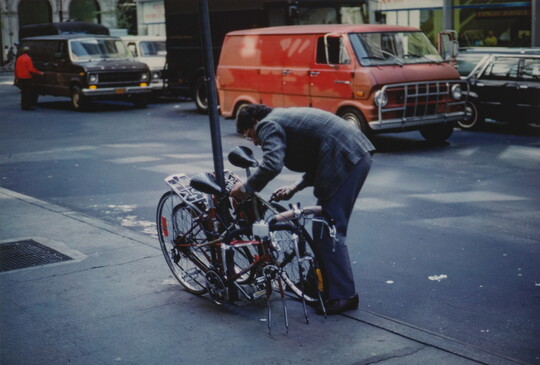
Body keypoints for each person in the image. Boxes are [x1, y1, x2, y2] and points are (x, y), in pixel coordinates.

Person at [230, 105, 375, 315]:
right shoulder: (282, 118)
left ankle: (344, 296)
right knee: (322, 227)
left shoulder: (267, 124)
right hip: (349, 153)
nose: (253, 141)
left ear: (254, 122)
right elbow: (318, 157)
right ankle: (316, 282)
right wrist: (294, 187)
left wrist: (245, 188)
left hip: (346, 156)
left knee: (328, 229)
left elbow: (272, 164)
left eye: (249, 135)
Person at [14, 46, 44, 110]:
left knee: (23, 92)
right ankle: (27, 106)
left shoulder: (19, 58)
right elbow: (31, 69)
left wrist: (16, 77)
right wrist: (40, 73)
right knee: (28, 92)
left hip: (20, 77)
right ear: (29, 52)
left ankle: (23, 106)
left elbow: (16, 69)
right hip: (27, 77)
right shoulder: (28, 58)